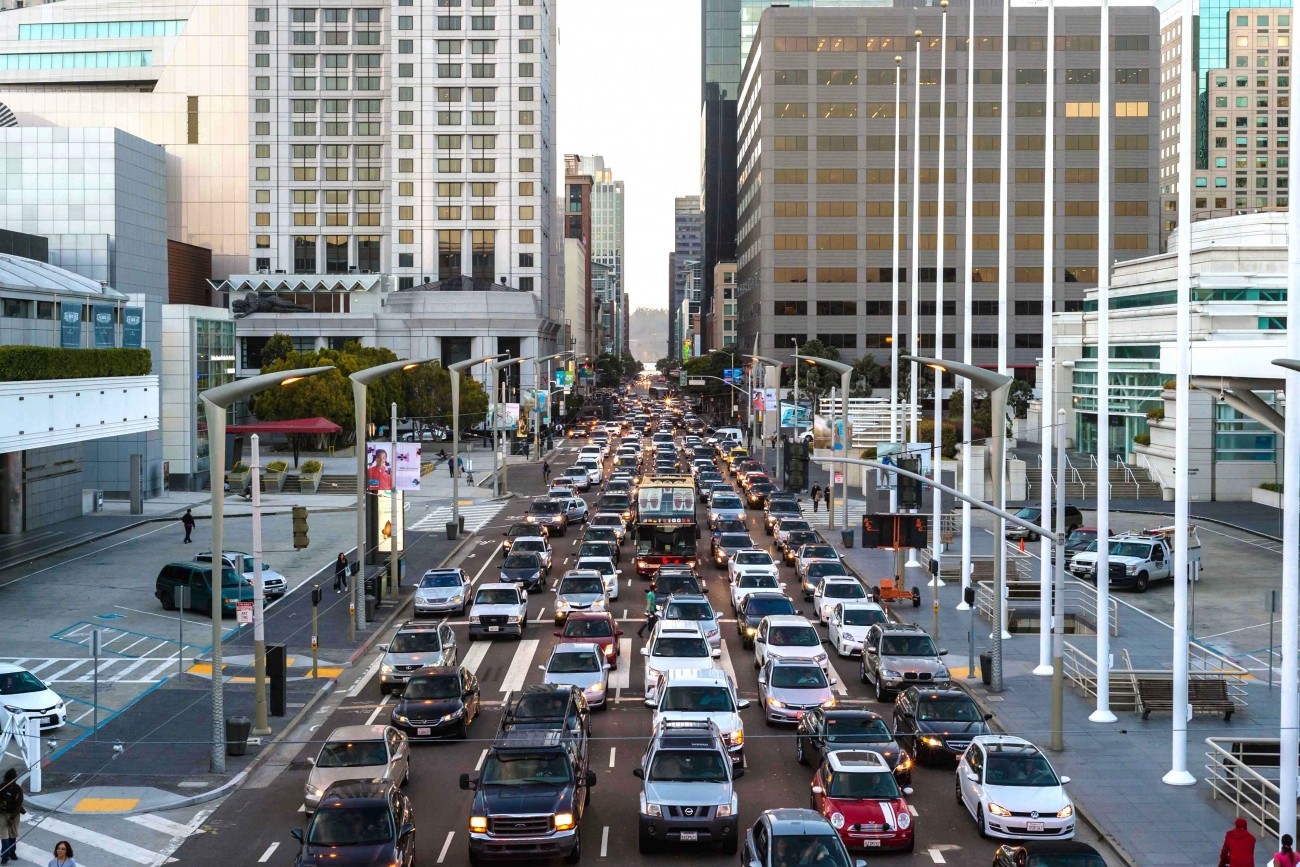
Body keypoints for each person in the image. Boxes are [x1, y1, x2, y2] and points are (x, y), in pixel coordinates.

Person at [0, 767, 24, 865]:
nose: (9, 782)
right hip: (2, 814)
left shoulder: (18, 790)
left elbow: (18, 806)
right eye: (8, 780)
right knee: (4, 835)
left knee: (12, 834)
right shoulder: (1, 788)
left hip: (14, 815)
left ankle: (12, 852)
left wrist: (12, 818)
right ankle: (5, 856)